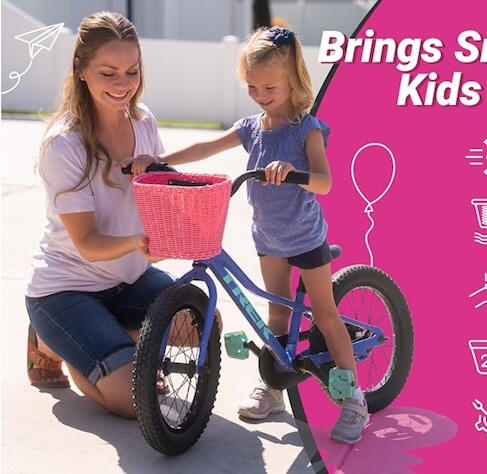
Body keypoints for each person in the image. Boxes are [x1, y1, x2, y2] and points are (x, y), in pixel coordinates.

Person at [126, 26, 369, 444]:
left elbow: (325, 182)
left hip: (305, 239)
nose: (260, 94)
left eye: (269, 86)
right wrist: (159, 160)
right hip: (268, 239)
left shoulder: (305, 130)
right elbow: (207, 147)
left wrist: (293, 174)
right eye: (252, 87)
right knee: (277, 315)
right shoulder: (251, 128)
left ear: (293, 80)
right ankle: (275, 387)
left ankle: (354, 400)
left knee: (325, 318)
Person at [25, 11, 174, 418]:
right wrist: (138, 243)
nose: (123, 84)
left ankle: (100, 338)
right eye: (108, 73)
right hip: (66, 289)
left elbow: (154, 202)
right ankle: (54, 343)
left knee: (199, 325)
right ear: (81, 69)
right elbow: (88, 245)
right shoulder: (65, 145)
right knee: (134, 402)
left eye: (132, 71)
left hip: (128, 280)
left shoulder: (144, 124)